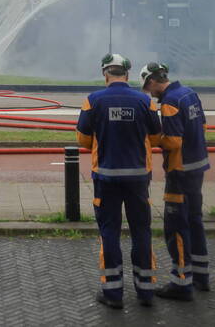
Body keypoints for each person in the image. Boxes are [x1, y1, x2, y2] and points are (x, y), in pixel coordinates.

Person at [76, 53, 163, 309]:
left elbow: (82, 139)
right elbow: (157, 138)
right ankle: (146, 292)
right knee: (141, 232)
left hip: (106, 178)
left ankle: (113, 294)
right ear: (126, 74)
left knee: (109, 233)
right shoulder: (145, 102)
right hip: (138, 179)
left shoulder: (93, 101)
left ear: (105, 74)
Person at [140, 62, 211, 301]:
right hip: (197, 167)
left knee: (176, 227)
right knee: (195, 220)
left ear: (152, 81)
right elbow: (202, 126)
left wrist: (152, 138)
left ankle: (181, 284)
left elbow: (173, 142)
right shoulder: (190, 94)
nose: (150, 93)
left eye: (148, 88)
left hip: (179, 172)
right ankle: (201, 276)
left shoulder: (170, 102)